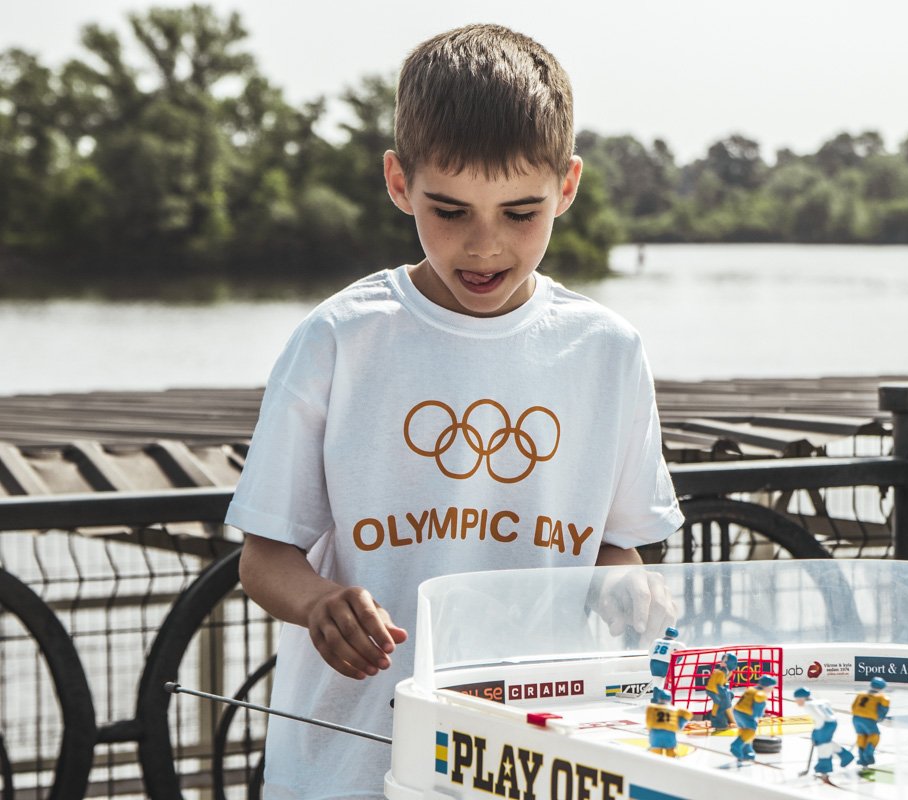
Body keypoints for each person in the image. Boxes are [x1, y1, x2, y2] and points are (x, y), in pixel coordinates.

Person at [225, 24, 684, 799]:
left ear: (567, 187)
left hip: (534, 761)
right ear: (399, 182)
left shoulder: (609, 351)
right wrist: (321, 603)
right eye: (450, 210)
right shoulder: (338, 339)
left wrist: (631, 593)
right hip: (349, 772)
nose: (484, 246)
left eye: (520, 213)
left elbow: (619, 549)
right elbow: (263, 559)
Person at [792, 687, 854, 778]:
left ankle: (824, 768)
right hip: (833, 722)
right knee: (827, 742)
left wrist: (816, 732)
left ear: (801, 698)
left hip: (825, 724)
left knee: (823, 745)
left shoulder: (808, 705)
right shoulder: (818, 701)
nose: (796, 702)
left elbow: (819, 720)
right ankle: (845, 755)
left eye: (796, 699)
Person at [730, 675, 777, 761]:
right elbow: (757, 710)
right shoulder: (761, 694)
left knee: (743, 731)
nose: (772, 689)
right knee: (751, 730)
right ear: (767, 686)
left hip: (736, 711)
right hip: (745, 714)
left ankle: (746, 751)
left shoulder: (751, 689)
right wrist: (761, 716)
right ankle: (736, 745)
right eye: (772, 687)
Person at [851, 676, 890, 769]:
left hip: (856, 719)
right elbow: (883, 710)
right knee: (874, 735)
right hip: (868, 720)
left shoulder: (860, 694)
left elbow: (853, 706)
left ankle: (862, 760)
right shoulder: (882, 697)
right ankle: (868, 754)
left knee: (861, 736)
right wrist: (879, 718)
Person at [646, 687, 693, 757]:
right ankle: (672, 758)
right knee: (671, 751)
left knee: (656, 751)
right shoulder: (674, 709)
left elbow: (649, 721)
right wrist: (679, 724)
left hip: (656, 732)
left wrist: (650, 729)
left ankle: (656, 760)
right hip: (669, 733)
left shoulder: (652, 708)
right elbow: (688, 714)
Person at [704, 652, 739, 731]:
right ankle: (718, 721)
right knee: (721, 703)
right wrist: (724, 690)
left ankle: (726, 717)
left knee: (730, 696)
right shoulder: (721, 673)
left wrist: (726, 689)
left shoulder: (728, 672)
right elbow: (718, 686)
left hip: (718, 689)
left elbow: (724, 682)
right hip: (713, 690)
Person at [648, 626, 684, 691]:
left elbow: (650, 653)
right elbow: (684, 652)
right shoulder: (677, 644)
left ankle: (656, 695)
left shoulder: (656, 641)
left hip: (654, 663)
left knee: (657, 684)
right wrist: (675, 661)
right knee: (668, 683)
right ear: (676, 635)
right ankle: (666, 694)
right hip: (666, 664)